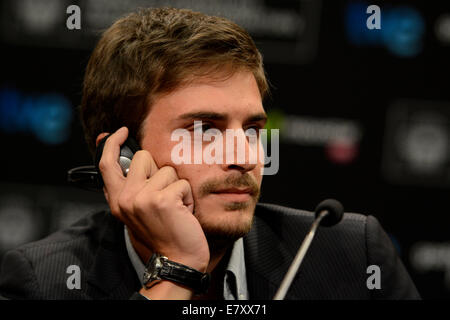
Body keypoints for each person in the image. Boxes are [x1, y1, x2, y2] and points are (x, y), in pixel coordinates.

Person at [0, 7, 419, 300]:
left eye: (253, 129)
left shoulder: (350, 257)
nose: (244, 155)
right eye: (204, 130)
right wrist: (177, 269)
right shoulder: (46, 282)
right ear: (122, 156)